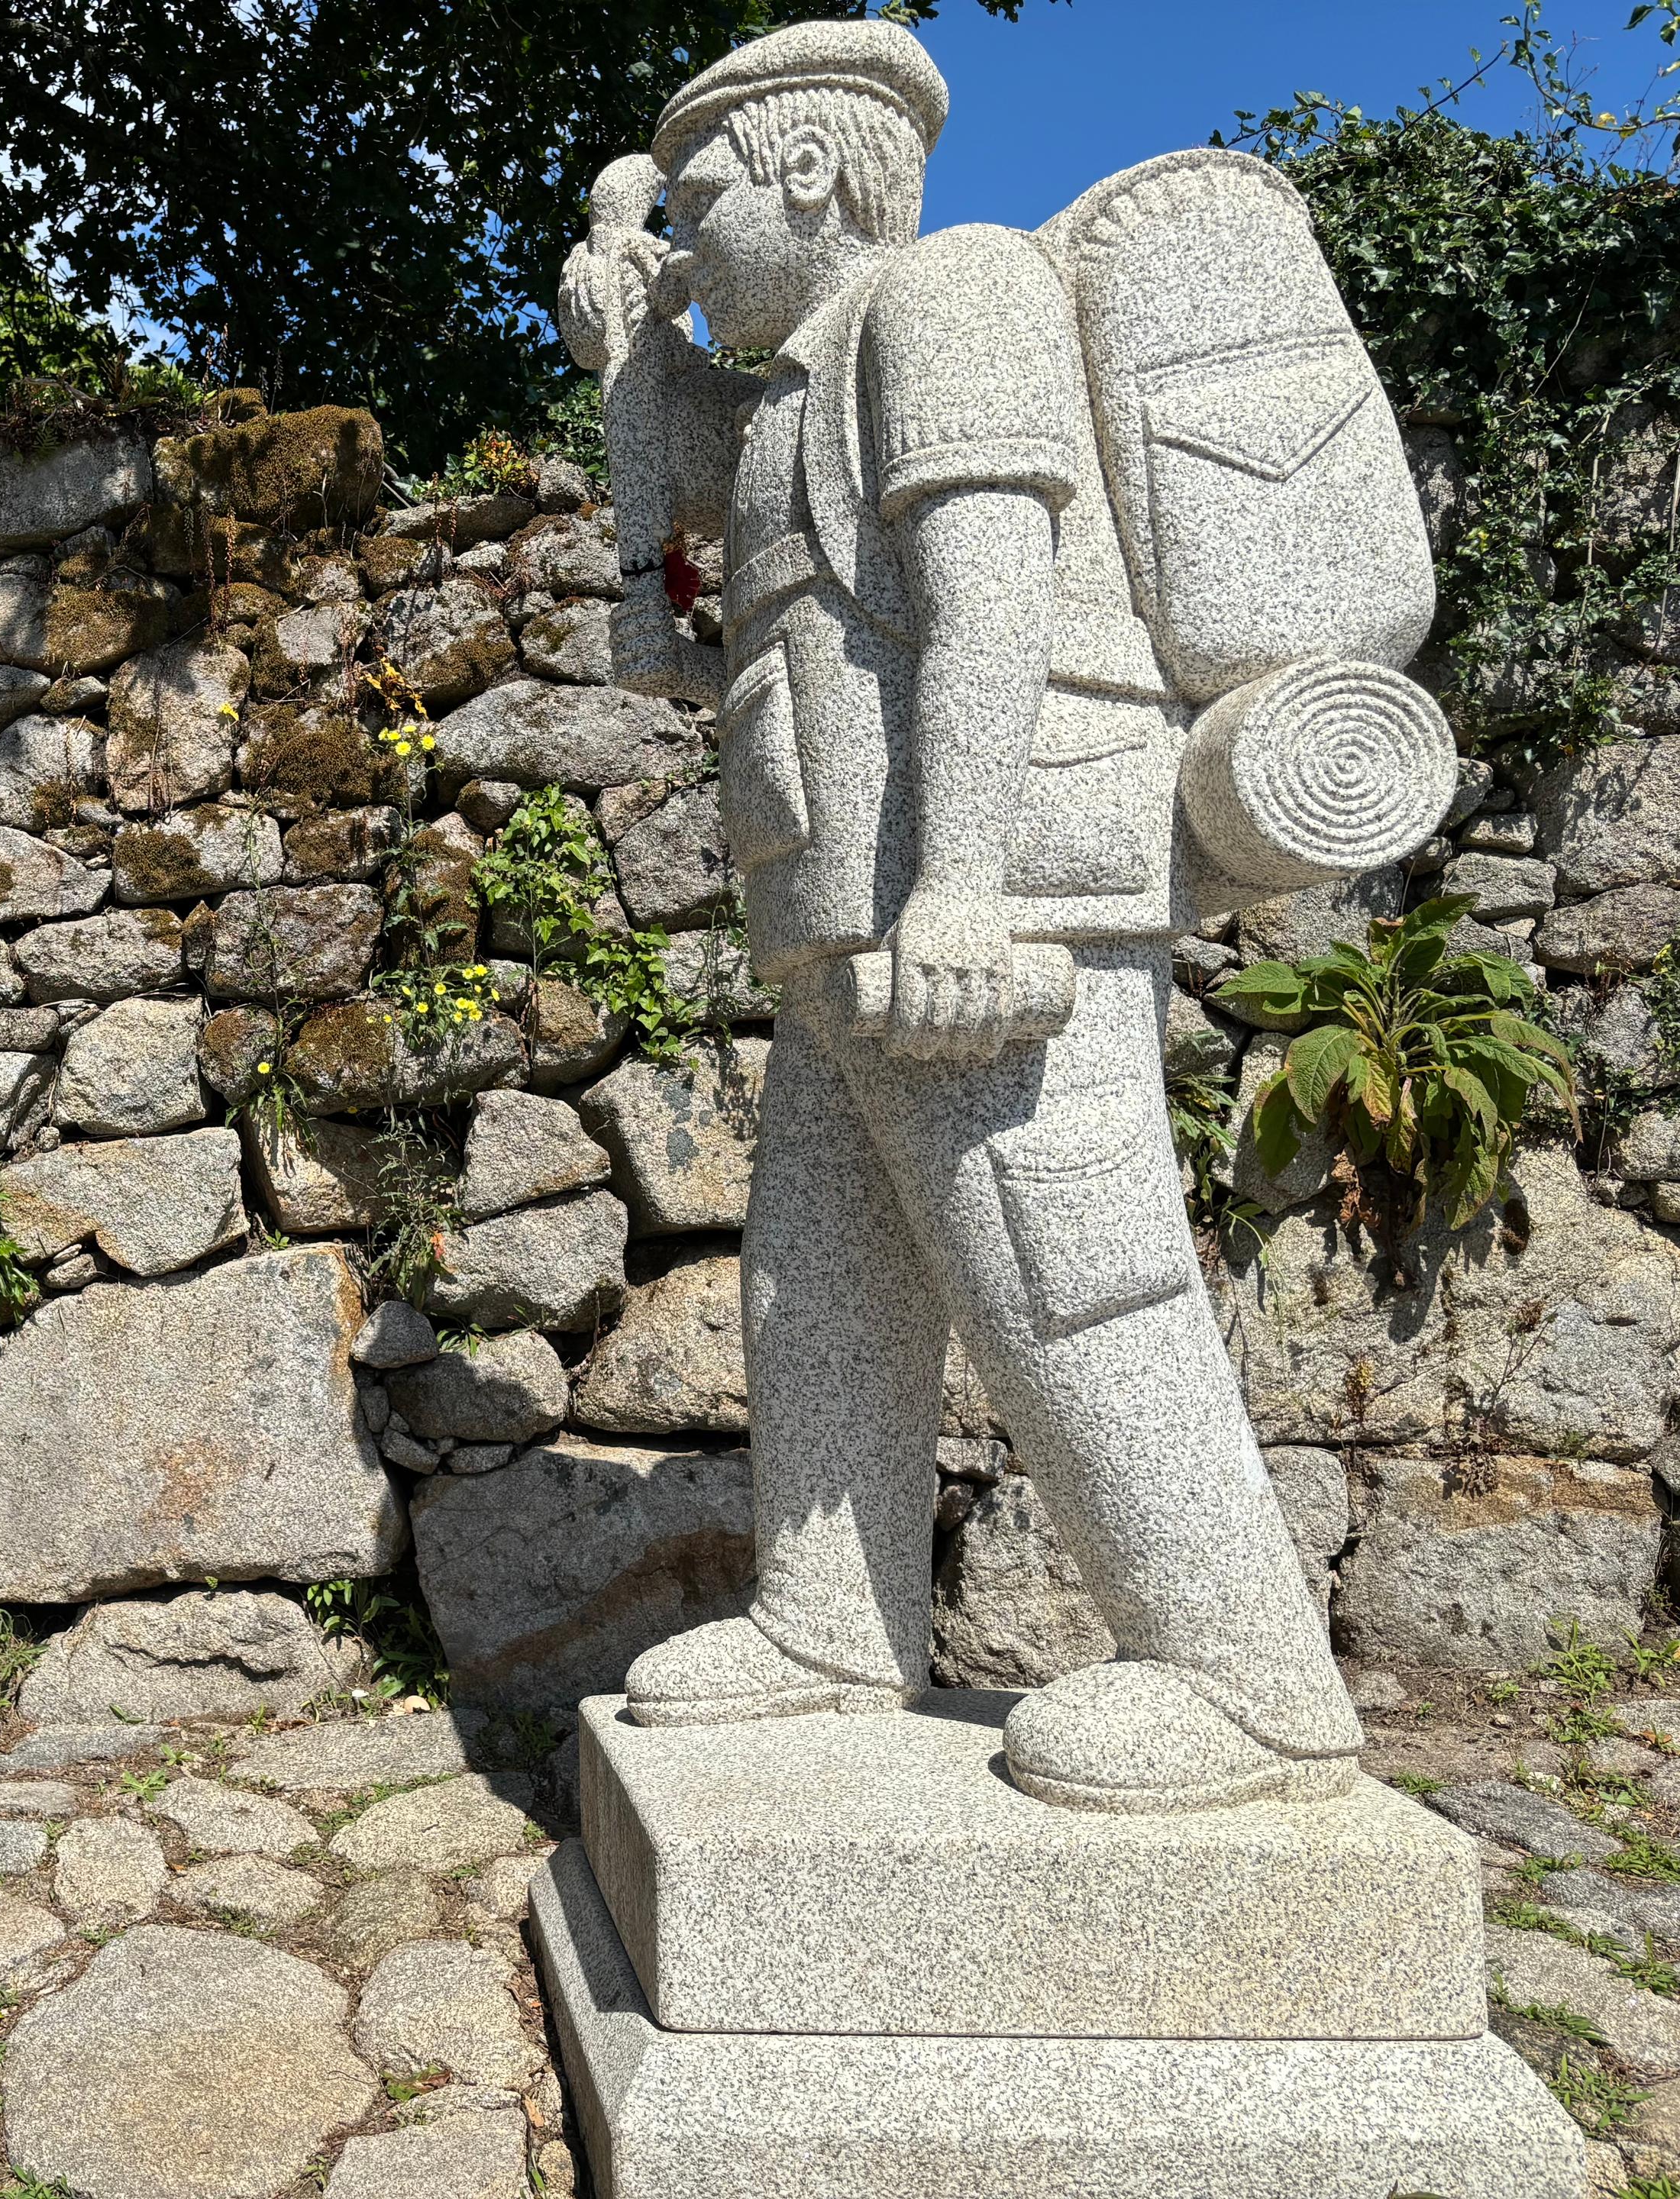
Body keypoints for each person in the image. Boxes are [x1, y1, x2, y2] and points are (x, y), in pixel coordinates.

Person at [554, 18, 1365, 1813]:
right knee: (816, 1279)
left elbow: (991, 595)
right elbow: (685, 482)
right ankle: (836, 1625)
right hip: (856, 923)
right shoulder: (791, 391)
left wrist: (965, 887)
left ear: (817, 170)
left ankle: (1249, 1684)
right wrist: (630, 344)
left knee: (1070, 1278)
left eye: (698, 207)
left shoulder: (954, 299)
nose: (686, 249)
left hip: (995, 907)